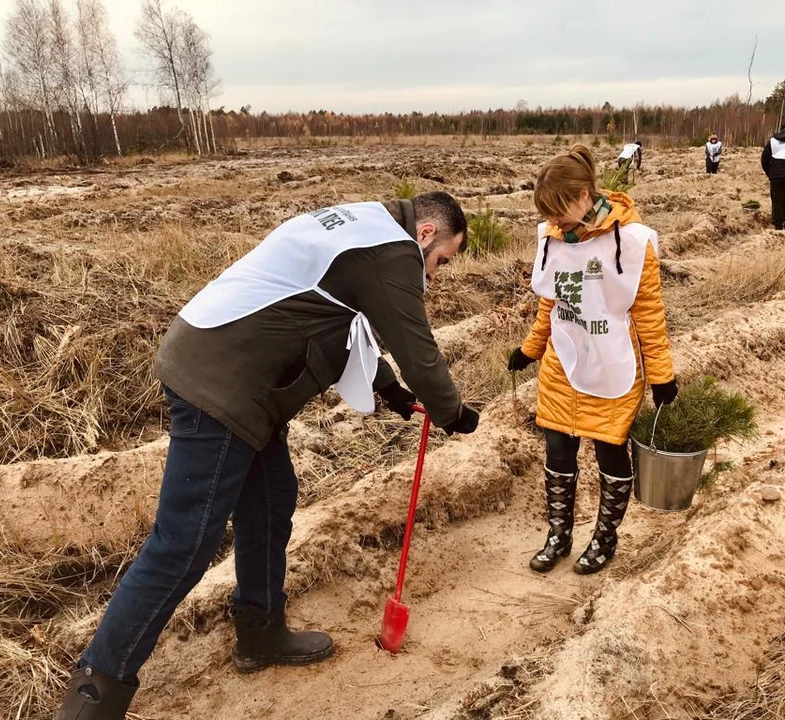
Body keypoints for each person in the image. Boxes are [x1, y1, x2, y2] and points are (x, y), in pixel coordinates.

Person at [54, 192, 480, 720]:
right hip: (221, 383)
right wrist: (452, 410)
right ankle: (93, 695)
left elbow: (343, 329)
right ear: (426, 235)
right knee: (183, 543)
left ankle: (261, 633)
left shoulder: (364, 225)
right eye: (442, 263)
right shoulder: (392, 250)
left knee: (273, 499)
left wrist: (391, 393)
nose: (435, 278)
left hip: (230, 369)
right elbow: (418, 347)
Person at [508, 144, 677, 575]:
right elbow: (551, 302)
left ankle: (605, 539)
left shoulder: (634, 243)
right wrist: (530, 349)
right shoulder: (551, 238)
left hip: (613, 364)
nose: (553, 220)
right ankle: (558, 536)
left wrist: (662, 375)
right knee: (558, 449)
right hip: (563, 363)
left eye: (559, 209)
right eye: (546, 212)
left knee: (609, 452)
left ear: (585, 193)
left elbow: (648, 314)